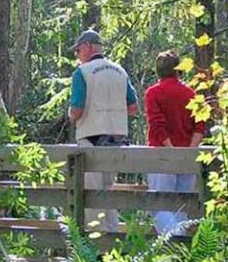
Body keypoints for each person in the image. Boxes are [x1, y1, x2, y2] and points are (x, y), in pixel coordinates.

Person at [69, 29, 138, 232]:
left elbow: (77, 110)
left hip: (90, 140)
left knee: (91, 195)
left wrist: (71, 115)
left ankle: (96, 248)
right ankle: (113, 237)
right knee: (109, 192)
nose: (78, 56)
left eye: (78, 51)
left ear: (87, 47)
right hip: (116, 140)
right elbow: (134, 108)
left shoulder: (82, 73)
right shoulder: (120, 71)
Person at [145, 50, 205, 235]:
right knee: (181, 206)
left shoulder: (153, 93)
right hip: (186, 156)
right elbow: (199, 126)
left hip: (162, 156)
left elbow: (157, 125)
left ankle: (173, 243)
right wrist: (188, 152)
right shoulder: (190, 93)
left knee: (159, 204)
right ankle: (178, 254)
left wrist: (172, 152)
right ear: (178, 70)